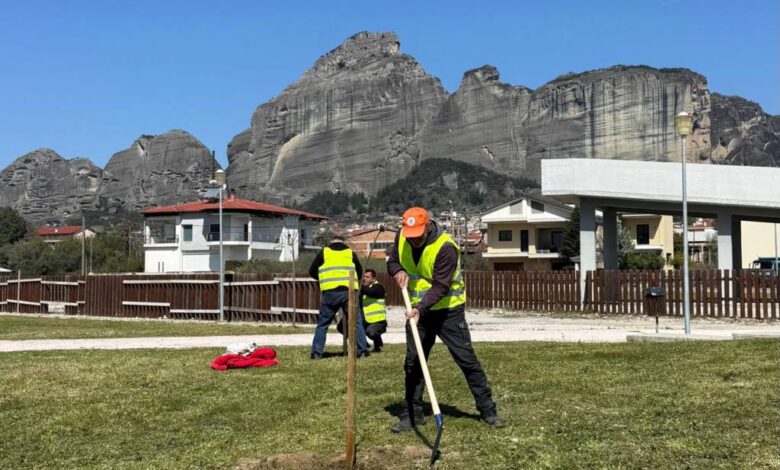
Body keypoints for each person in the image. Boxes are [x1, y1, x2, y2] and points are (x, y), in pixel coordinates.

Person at [387, 207, 502, 432]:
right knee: (413, 363)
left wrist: (420, 307)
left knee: (466, 359)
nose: (415, 240)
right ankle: (412, 415)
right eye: (411, 236)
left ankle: (488, 410)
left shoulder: (446, 247)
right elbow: (392, 261)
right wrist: (397, 270)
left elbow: (440, 286)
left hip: (448, 312)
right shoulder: (403, 237)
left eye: (418, 235)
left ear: (428, 226)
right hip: (418, 314)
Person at [309, 234, 370, 359]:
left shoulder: (324, 252)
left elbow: (312, 271)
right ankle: (363, 350)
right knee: (356, 323)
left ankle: (316, 352)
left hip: (330, 293)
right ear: (344, 242)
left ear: (330, 243)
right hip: (349, 292)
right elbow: (359, 271)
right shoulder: (350, 253)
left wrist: (323, 279)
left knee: (323, 324)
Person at [338, 268, 387, 352]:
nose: (364, 278)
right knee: (341, 327)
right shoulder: (362, 290)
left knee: (371, 332)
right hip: (364, 321)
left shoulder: (378, 288)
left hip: (377, 321)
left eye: (367, 277)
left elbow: (370, 291)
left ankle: (378, 344)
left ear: (374, 278)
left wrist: (356, 284)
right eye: (364, 277)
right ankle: (363, 343)